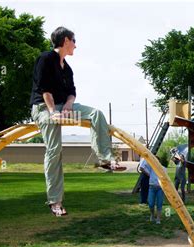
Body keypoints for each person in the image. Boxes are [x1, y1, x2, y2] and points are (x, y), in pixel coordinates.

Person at [30, 26, 126, 217]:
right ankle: (55, 201)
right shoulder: (46, 59)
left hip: (64, 108)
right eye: (74, 41)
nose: (76, 45)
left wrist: (67, 105)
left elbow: (72, 93)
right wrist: (53, 112)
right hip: (44, 108)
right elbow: (44, 90)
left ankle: (105, 159)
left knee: (96, 114)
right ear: (66, 41)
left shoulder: (68, 68)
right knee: (54, 150)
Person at [139, 157, 166, 224]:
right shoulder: (151, 168)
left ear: (159, 162)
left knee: (159, 203)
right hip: (152, 187)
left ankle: (158, 218)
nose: (156, 162)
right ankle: (152, 215)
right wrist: (146, 157)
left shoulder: (164, 169)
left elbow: (165, 179)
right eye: (154, 161)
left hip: (160, 188)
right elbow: (142, 167)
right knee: (151, 204)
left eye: (157, 161)